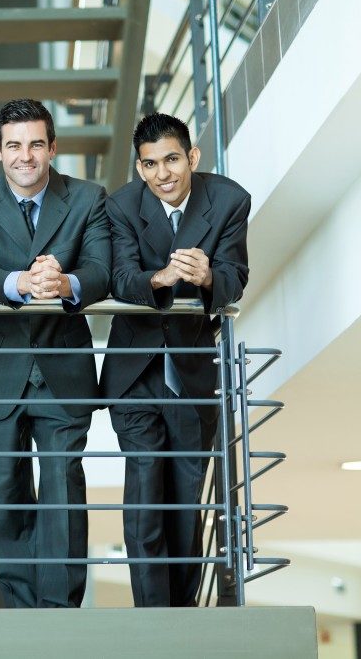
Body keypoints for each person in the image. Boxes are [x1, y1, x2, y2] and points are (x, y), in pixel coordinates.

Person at [0, 98, 111, 609]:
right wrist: (19, 283)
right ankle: (22, 611)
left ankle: (60, 612)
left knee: (63, 490)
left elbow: (100, 269)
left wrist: (64, 282)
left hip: (63, 366)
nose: (26, 156)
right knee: (2, 491)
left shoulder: (88, 197)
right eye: (15, 145)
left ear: (52, 147)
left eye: (36, 144)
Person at [101, 112, 250, 607]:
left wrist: (208, 277)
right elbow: (120, 278)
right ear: (139, 168)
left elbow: (236, 277)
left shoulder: (228, 200)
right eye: (150, 164)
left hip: (190, 370)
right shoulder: (121, 205)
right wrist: (161, 278)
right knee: (145, 502)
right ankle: (152, 620)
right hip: (135, 373)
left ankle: (182, 618)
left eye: (171, 159)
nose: (163, 173)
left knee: (186, 504)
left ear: (192, 157)